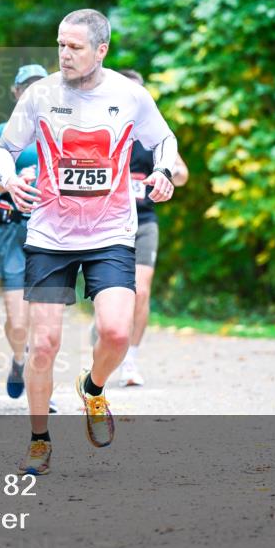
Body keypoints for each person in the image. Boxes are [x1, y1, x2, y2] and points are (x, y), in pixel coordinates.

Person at [0, 9, 179, 475]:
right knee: (44, 344)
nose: (64, 54)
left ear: (102, 50)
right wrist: (9, 178)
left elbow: (165, 141)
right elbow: (4, 149)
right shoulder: (40, 95)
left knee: (116, 331)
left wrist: (163, 171)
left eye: (74, 47)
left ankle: (92, 389)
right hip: (50, 234)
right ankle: (39, 441)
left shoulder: (130, 96)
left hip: (110, 231)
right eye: (60, 45)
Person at [0, 64, 47, 400]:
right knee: (19, 323)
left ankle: (40, 387)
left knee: (44, 321)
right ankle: (19, 359)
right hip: (13, 231)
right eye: (26, 87)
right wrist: (13, 181)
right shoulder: (3, 132)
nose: (33, 92)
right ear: (16, 93)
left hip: (52, 232)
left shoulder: (62, 131)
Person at [116, 69, 189, 387]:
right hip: (109, 224)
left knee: (141, 290)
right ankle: (108, 336)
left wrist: (165, 173)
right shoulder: (102, 129)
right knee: (113, 295)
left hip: (144, 222)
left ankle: (130, 360)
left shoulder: (153, 135)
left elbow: (182, 172)